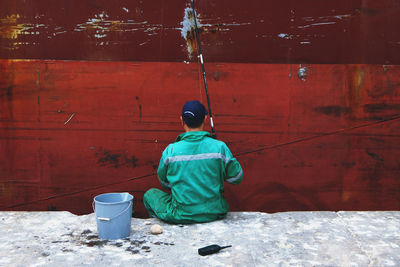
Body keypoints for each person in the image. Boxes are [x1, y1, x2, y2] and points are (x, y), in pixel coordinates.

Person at [143, 100, 243, 224]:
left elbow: (165, 183)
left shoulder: (170, 151)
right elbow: (237, 178)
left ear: (182, 121)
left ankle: (163, 226)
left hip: (180, 214)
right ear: (205, 119)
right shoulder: (220, 147)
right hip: (215, 212)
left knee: (150, 195)